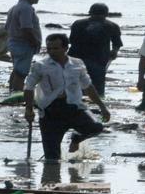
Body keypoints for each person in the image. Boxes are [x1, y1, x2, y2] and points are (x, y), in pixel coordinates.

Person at [24, 34, 109, 162]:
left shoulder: (77, 64)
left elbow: (88, 86)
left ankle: (76, 139)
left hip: (73, 107)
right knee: (52, 158)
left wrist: (102, 107)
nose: (52, 52)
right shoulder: (40, 65)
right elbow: (29, 87)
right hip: (50, 112)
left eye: (56, 48)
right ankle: (51, 180)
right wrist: (29, 109)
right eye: (49, 49)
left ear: (65, 48)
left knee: (96, 127)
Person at [68, 3, 123, 96]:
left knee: (75, 83)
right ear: (106, 14)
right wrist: (114, 52)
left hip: (78, 58)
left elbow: (72, 40)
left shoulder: (78, 23)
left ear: (90, 13)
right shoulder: (112, 25)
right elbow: (117, 43)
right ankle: (97, 102)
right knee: (97, 85)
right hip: (99, 60)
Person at [6, 0, 42, 91]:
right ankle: (17, 94)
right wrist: (34, 42)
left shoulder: (14, 7)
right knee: (21, 73)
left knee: (17, 70)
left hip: (14, 42)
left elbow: (7, 27)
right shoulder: (26, 8)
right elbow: (26, 28)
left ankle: (12, 92)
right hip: (23, 44)